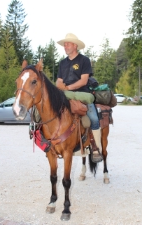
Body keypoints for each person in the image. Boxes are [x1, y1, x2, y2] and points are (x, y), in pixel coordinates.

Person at [56, 33, 102, 163]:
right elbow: (58, 81)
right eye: (64, 44)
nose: (65, 46)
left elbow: (83, 81)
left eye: (68, 44)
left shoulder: (84, 60)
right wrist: (61, 87)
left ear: (75, 46)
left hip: (83, 94)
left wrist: (67, 89)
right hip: (65, 96)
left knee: (93, 118)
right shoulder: (62, 63)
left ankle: (96, 148)